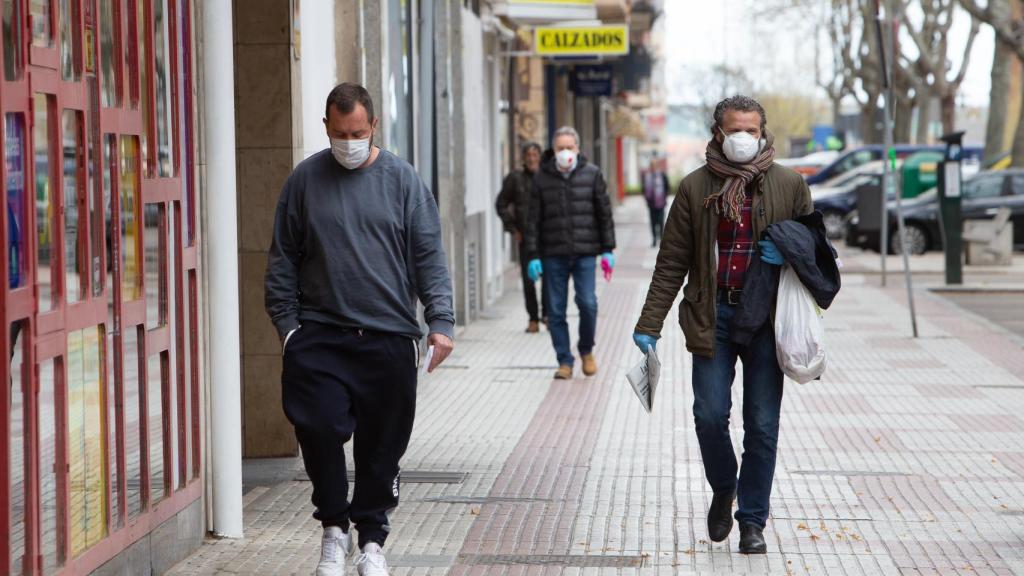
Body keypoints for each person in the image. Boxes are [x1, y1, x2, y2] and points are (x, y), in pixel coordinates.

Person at [265, 83, 455, 576]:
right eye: (339, 132)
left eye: (358, 132)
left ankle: (371, 541)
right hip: (321, 335)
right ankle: (333, 529)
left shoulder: (403, 181)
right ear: (326, 126)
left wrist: (440, 322)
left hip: (389, 336)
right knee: (319, 427)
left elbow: (428, 256)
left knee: (381, 445)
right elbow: (282, 259)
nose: (348, 141)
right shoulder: (304, 181)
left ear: (373, 127)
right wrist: (289, 330)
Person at [632, 96, 812, 554]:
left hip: (765, 319)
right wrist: (648, 323)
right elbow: (671, 261)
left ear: (763, 132)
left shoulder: (789, 184)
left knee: (762, 424)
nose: (744, 138)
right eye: (735, 129)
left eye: (752, 130)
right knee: (709, 415)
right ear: (717, 132)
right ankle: (724, 485)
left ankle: (752, 520)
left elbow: (816, 251)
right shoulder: (695, 188)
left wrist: (790, 253)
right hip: (713, 314)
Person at [525, 126, 615, 380]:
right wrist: (532, 255)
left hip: (585, 252)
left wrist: (607, 250)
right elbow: (532, 220)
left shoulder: (592, 174)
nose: (565, 152)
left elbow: (604, 213)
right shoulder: (542, 178)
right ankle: (564, 360)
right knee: (555, 310)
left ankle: (586, 350)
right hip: (553, 254)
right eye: (560, 148)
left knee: (588, 303)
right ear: (554, 151)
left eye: (569, 147)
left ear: (577, 149)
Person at [495, 141, 548, 333]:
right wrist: (512, 228)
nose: (532, 158)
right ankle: (533, 319)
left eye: (535, 155)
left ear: (540, 157)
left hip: (548, 237)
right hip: (525, 237)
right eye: (529, 155)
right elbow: (500, 204)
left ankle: (547, 315)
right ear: (524, 158)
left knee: (550, 277)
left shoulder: (547, 177)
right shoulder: (515, 178)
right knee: (529, 280)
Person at [642, 158, 670, 247]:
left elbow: (667, 187)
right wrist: (646, 199)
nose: (653, 167)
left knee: (661, 222)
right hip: (651, 204)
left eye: (654, 165)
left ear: (657, 166)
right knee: (653, 222)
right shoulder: (647, 176)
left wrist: (664, 198)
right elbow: (644, 189)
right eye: (652, 165)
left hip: (661, 204)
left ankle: (661, 239)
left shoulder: (662, 175)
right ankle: (654, 239)